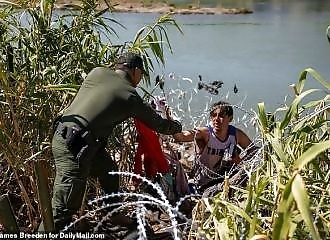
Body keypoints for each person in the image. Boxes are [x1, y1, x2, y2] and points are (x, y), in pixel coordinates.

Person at [39, 52, 182, 232]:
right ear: (136, 71)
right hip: (75, 149)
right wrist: (178, 127)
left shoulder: (97, 72)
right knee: (63, 207)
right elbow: (159, 124)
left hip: (66, 136)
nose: (140, 79)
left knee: (109, 170)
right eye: (141, 74)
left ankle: (113, 213)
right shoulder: (130, 96)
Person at [169, 101, 258, 193]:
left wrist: (240, 162)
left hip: (227, 179)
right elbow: (181, 137)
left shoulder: (236, 134)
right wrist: (170, 121)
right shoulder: (205, 133)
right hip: (204, 183)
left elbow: (254, 150)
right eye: (213, 115)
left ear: (230, 118)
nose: (216, 119)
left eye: (221, 116)